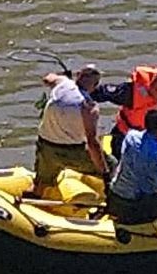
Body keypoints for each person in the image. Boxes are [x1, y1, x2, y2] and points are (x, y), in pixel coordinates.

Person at [30, 65, 108, 196]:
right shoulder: (89, 107)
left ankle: (36, 193)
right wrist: (104, 171)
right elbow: (92, 142)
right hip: (74, 152)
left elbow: (47, 78)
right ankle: (111, 200)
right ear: (95, 85)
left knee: (42, 181)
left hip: (46, 147)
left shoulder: (62, 83)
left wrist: (64, 76)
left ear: (78, 76)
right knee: (113, 167)